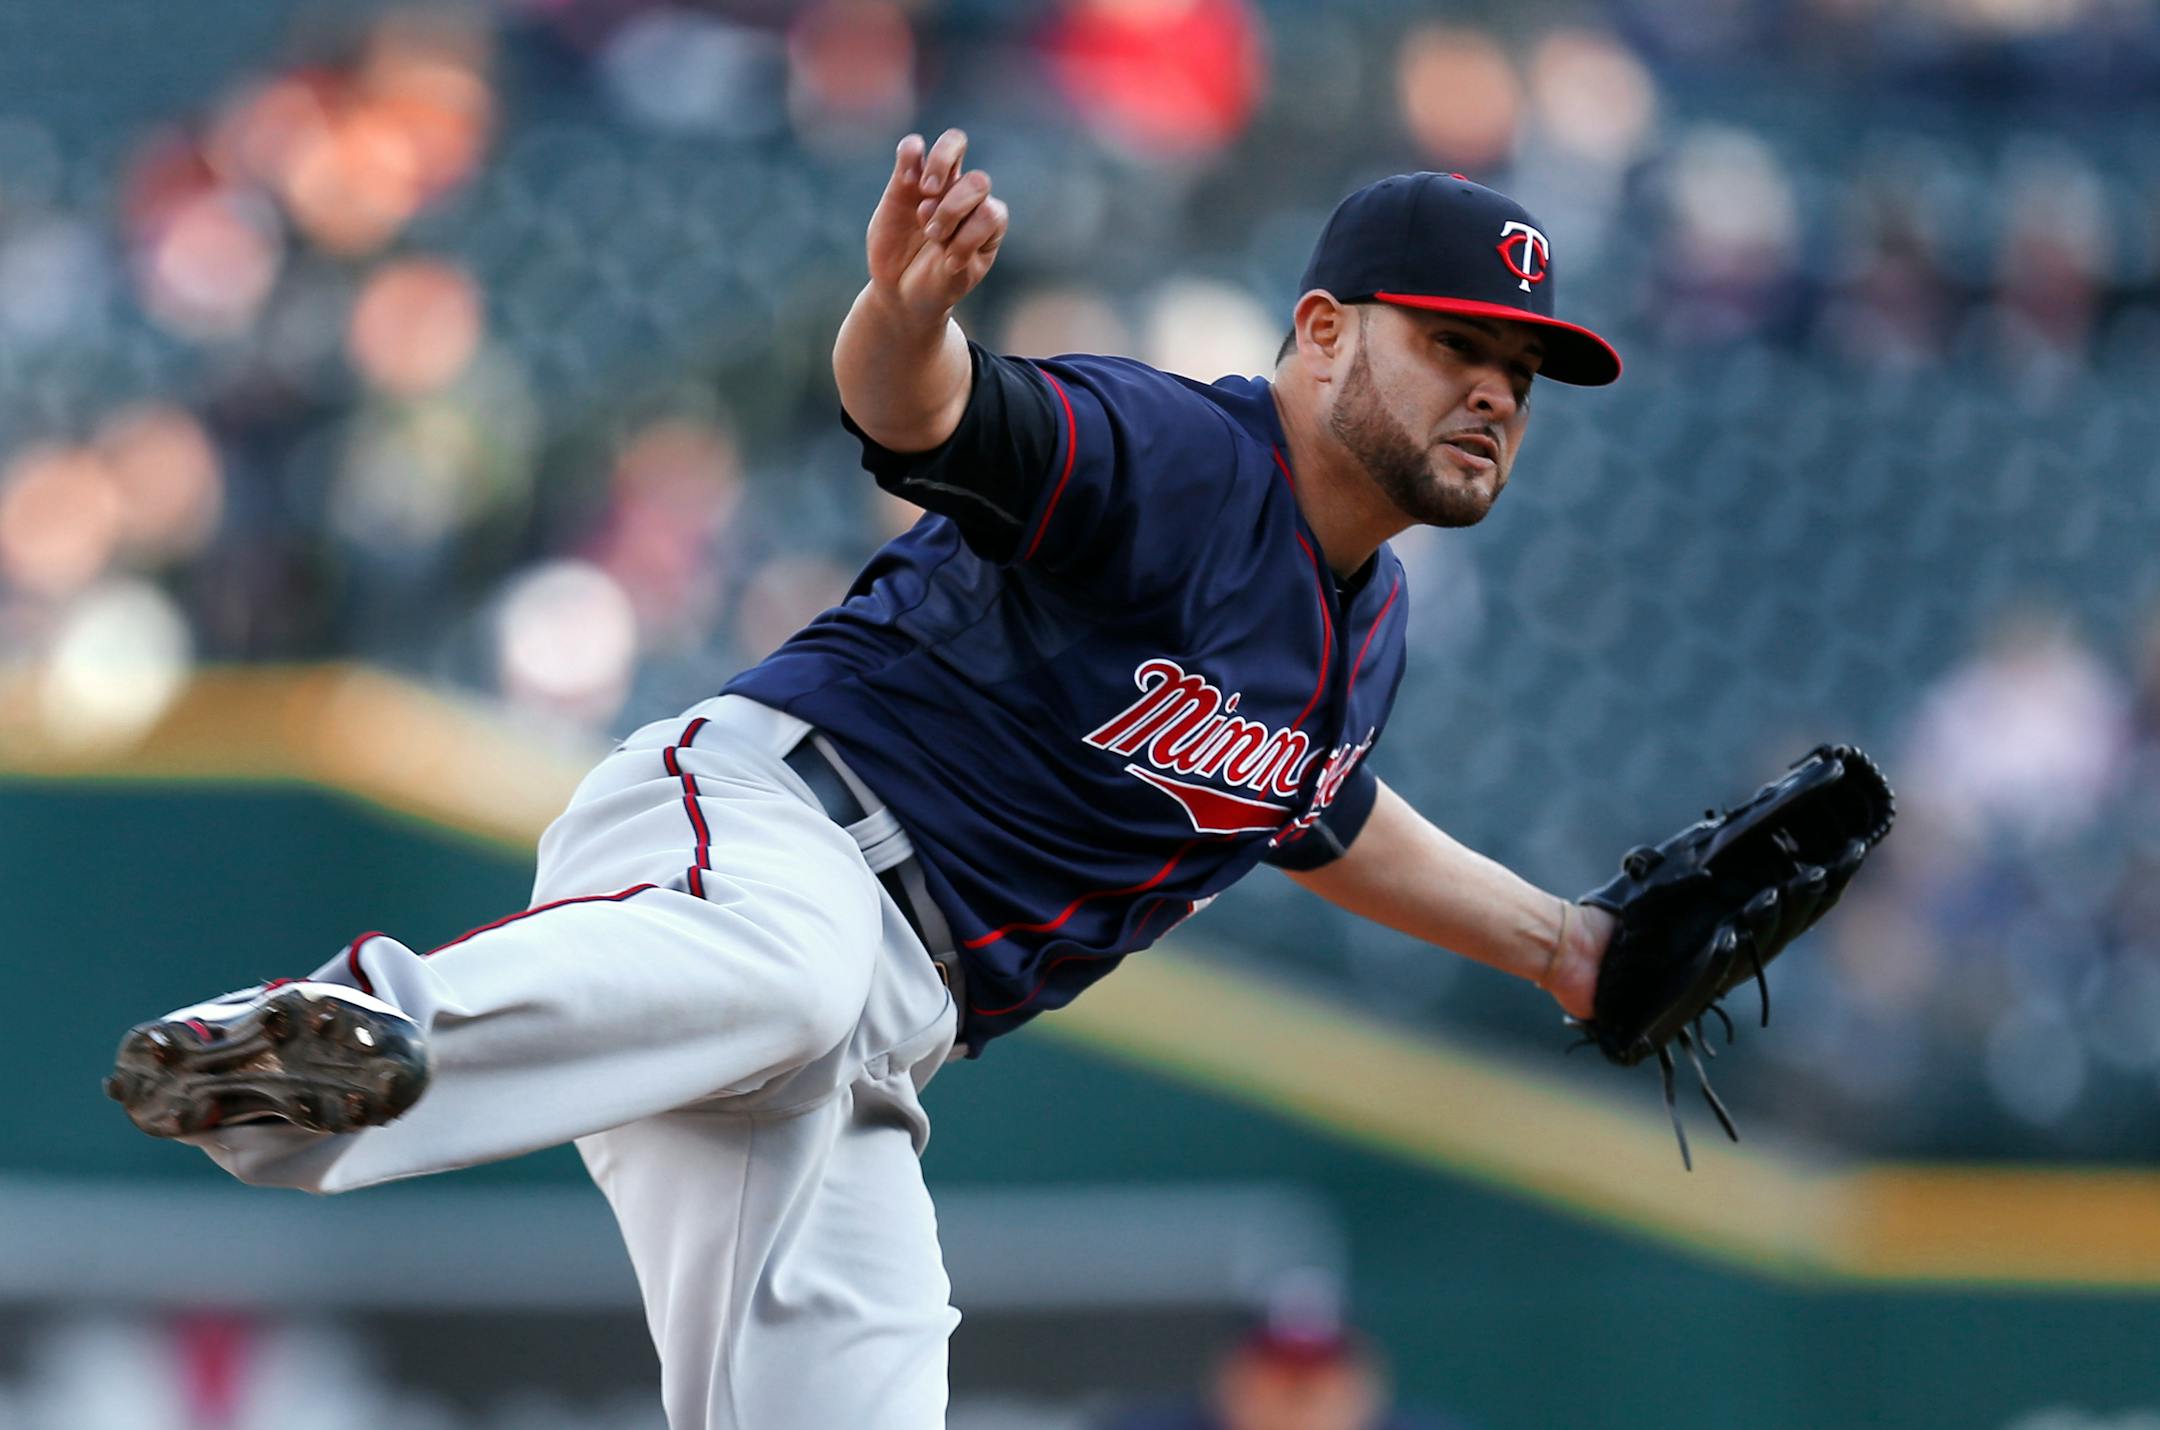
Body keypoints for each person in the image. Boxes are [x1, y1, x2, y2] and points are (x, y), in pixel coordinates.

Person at [106, 130, 1623, 1430]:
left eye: (1523, 371)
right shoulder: (1188, 459)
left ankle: (341, 1064)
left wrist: (1561, 944)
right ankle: (339, 1047)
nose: (1495, 391)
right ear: (1323, 331)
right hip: (770, 840)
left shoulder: (1371, 626)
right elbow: (932, 414)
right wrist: (901, 313)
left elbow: (1318, 809)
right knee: (798, 973)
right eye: (1454, 344)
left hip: (865, 1044)